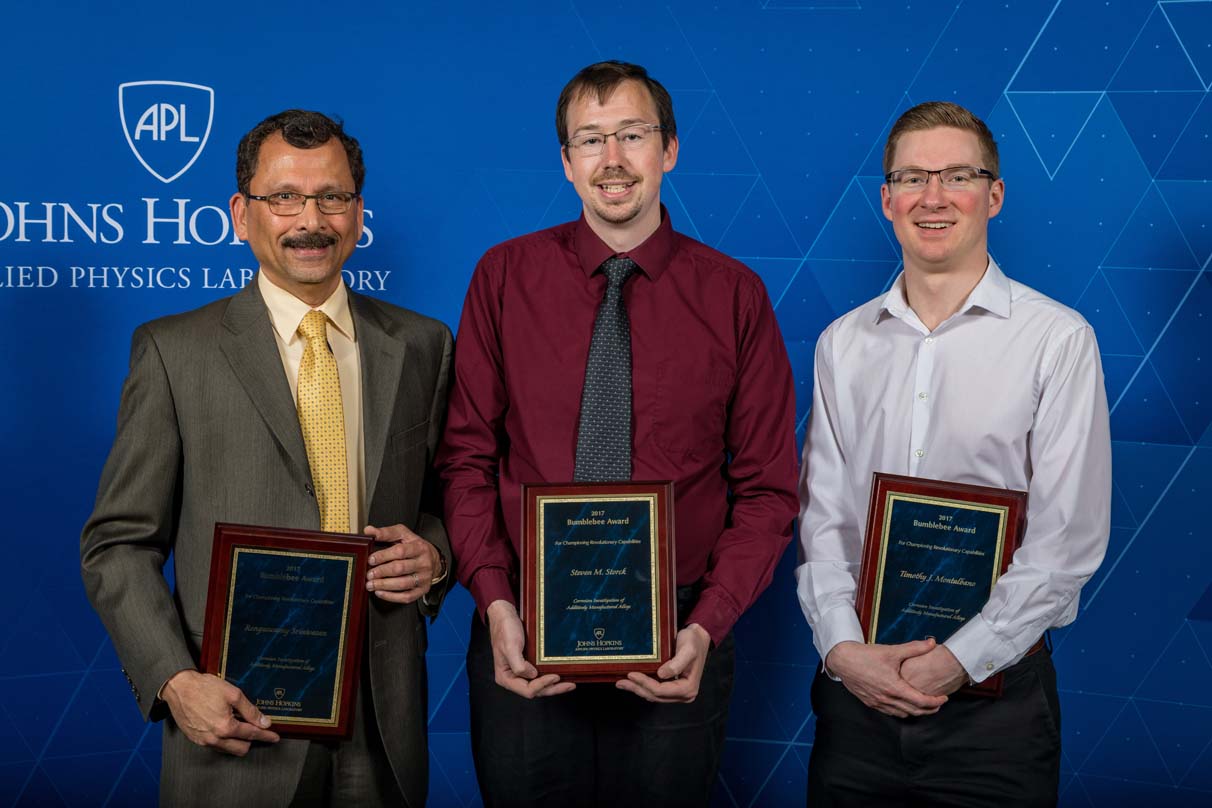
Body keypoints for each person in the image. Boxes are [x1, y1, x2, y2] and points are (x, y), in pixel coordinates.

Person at [436, 60, 799, 807]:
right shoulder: (502, 278)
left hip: (679, 639)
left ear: (668, 150)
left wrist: (707, 626)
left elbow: (767, 489)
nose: (612, 160)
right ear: (566, 162)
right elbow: (467, 460)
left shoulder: (735, 296)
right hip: (524, 634)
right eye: (590, 139)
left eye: (632, 135)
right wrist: (496, 603)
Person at [81, 109, 453, 807]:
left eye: (332, 196)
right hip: (234, 727)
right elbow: (117, 545)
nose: (310, 218)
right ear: (241, 214)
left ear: (358, 211)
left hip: (381, 726)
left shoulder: (423, 345)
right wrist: (174, 680)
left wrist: (433, 556)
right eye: (283, 197)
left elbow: (446, 503)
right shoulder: (174, 353)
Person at [795, 101, 1111, 806]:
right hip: (856, 704)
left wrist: (959, 662)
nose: (932, 197)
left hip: (994, 713)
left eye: (957, 176)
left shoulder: (1056, 341)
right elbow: (824, 524)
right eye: (911, 177)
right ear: (887, 199)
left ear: (993, 195)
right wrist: (843, 651)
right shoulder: (842, 345)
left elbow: (1066, 544)